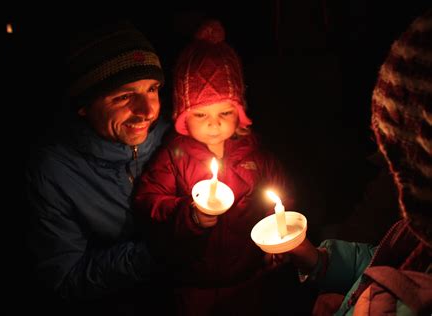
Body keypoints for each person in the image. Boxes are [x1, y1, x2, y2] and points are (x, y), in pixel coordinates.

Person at [133, 20, 303, 316]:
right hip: (192, 285)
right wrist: (191, 215)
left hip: (248, 279)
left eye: (225, 112)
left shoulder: (256, 156)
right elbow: (149, 201)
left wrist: (275, 239)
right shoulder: (174, 156)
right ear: (183, 117)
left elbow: (281, 197)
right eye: (200, 113)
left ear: (240, 113)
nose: (214, 123)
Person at [284, 10, 432, 315]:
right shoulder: (417, 235)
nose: (396, 185)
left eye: (400, 164)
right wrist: (319, 260)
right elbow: (383, 262)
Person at [25, 21, 171, 316]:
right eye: (123, 96)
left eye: (152, 89)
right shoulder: (55, 172)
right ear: (84, 105)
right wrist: (156, 254)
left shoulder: (173, 136)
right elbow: (65, 277)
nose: (147, 111)